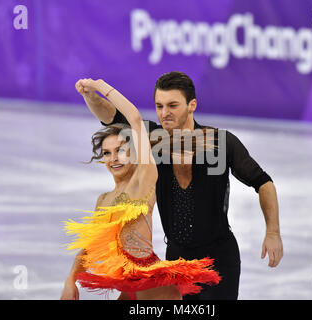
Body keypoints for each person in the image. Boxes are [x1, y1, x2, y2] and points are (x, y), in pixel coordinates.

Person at [75, 71, 283, 300]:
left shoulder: (220, 142)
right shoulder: (152, 138)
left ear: (191, 105)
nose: (165, 113)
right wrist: (89, 94)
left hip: (219, 258)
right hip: (177, 258)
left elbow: (263, 182)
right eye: (159, 106)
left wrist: (272, 232)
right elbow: (112, 117)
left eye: (172, 105)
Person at [60, 79, 220, 300]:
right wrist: (71, 280)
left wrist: (100, 86)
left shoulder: (143, 179)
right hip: (129, 284)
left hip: (151, 281)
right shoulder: (104, 199)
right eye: (107, 153)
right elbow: (89, 248)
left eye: (121, 150)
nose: (114, 158)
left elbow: (134, 119)